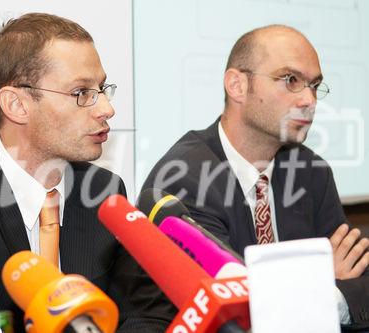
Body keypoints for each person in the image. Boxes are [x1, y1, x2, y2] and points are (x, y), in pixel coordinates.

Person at [0, 13, 175, 332]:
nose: (106, 108)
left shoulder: (104, 192)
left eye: (102, 88)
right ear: (16, 105)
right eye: (82, 92)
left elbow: (148, 313)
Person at [142, 25, 369, 331]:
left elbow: (361, 281)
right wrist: (320, 282)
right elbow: (234, 307)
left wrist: (325, 294)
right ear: (237, 85)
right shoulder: (184, 178)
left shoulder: (311, 172)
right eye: (291, 80)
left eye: (315, 85)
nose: (309, 100)